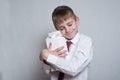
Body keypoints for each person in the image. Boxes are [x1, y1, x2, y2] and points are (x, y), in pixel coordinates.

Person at [40, 5, 93, 80]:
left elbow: (74, 69)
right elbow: (46, 71)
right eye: (62, 28)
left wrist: (48, 57)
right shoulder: (55, 41)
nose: (67, 30)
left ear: (77, 20)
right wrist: (46, 61)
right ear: (57, 29)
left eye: (70, 24)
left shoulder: (86, 41)